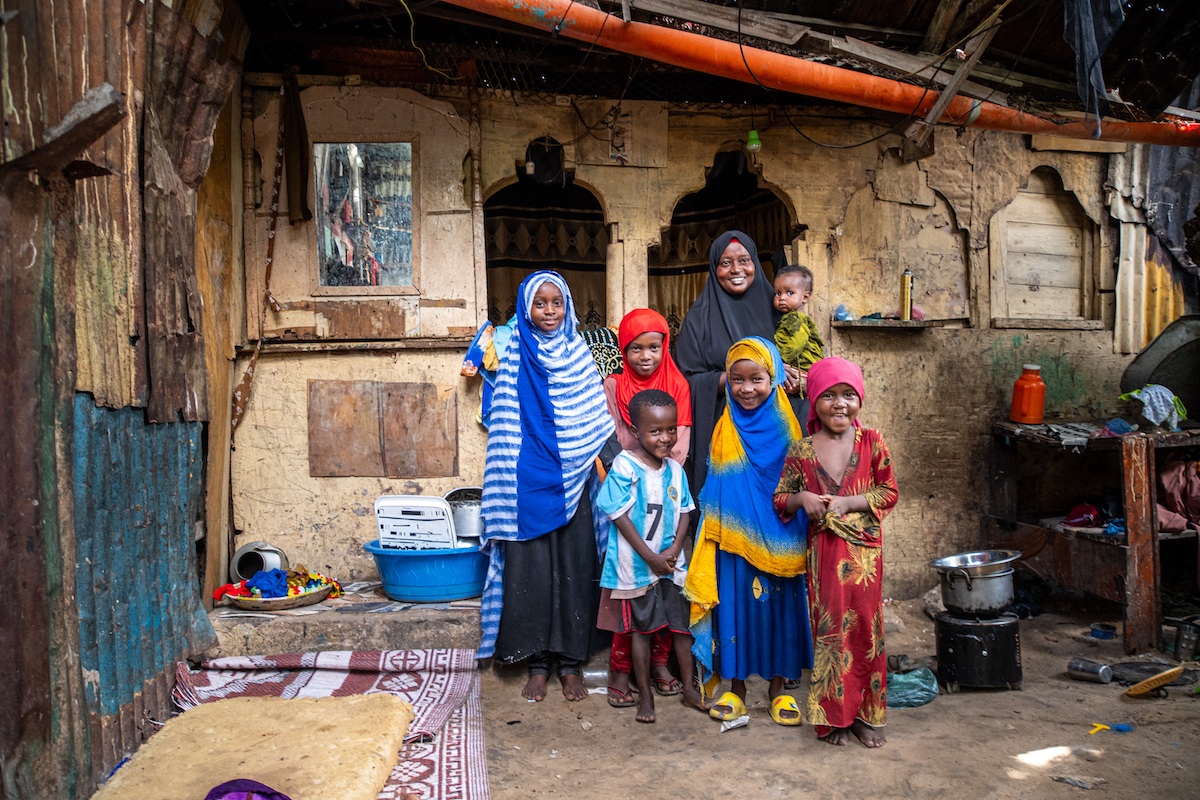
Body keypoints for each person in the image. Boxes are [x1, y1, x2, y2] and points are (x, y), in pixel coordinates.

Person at [478, 271, 616, 702]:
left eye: (557, 303)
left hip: (574, 480)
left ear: (569, 306)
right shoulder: (512, 349)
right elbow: (503, 421)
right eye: (541, 304)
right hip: (524, 485)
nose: (550, 312)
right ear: (525, 307)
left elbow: (592, 416)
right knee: (531, 573)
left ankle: (571, 664)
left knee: (576, 571)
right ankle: (537, 663)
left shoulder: (577, 352)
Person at [684, 337, 813, 727]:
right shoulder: (725, 427)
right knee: (736, 609)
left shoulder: (789, 428)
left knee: (780, 611)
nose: (746, 389)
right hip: (734, 537)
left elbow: (796, 483)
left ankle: (778, 689)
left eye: (757, 378)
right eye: (737, 380)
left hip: (783, 534)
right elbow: (720, 486)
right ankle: (735, 687)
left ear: (772, 378)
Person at [772, 357, 899, 747]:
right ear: (813, 401)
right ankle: (834, 718)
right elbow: (780, 500)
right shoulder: (802, 450)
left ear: (859, 399)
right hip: (824, 557)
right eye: (828, 396)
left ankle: (864, 716)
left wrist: (851, 503)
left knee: (866, 633)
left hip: (865, 560)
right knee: (830, 637)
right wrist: (801, 497)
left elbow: (889, 492)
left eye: (848, 395)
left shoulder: (873, 441)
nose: (839, 404)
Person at [595, 389, 709, 722]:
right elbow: (618, 515)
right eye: (655, 431)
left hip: (671, 564)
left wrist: (673, 550)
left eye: (671, 430)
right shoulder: (625, 466)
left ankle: (690, 689)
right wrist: (650, 556)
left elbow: (686, 511)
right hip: (635, 566)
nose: (665, 438)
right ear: (634, 430)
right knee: (641, 632)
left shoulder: (676, 470)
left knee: (681, 628)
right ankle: (645, 697)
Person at [600, 309, 693, 707]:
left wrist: (659, 464)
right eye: (634, 347)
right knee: (629, 611)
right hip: (626, 503)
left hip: (665, 502)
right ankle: (621, 672)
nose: (644, 356)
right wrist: (632, 466)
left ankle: (659, 667)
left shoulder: (678, 386)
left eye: (654, 346)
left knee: (667, 611)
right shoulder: (612, 386)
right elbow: (605, 437)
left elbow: (679, 448)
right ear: (623, 349)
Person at [676, 231, 803, 499]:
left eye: (744, 260)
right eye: (725, 263)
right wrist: (736, 378)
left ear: (755, 262)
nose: (736, 270)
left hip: (775, 433)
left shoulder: (778, 309)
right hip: (726, 434)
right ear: (714, 267)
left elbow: (802, 361)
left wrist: (796, 378)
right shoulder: (700, 318)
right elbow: (687, 380)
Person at [772, 264, 824, 401]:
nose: (782, 298)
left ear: (805, 297)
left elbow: (795, 344)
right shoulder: (790, 317)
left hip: (802, 371)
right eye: (778, 293)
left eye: (790, 293)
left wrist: (777, 361)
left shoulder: (796, 318)